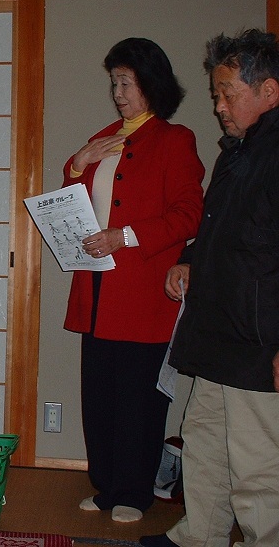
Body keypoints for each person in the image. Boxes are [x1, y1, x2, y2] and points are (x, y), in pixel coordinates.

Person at [140, 30, 279, 547]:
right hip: (220, 331)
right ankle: (198, 536)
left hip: (259, 340)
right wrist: (189, 260)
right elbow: (222, 233)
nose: (218, 106)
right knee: (203, 444)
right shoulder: (236, 154)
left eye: (228, 94)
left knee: (258, 467)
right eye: (216, 94)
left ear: (269, 91)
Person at [63, 38, 205, 523]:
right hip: (97, 288)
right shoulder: (102, 138)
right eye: (114, 83)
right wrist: (78, 164)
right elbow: (72, 206)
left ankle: (134, 493)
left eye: (126, 82)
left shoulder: (175, 139)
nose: (118, 93)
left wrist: (124, 236)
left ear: (151, 83)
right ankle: (106, 487)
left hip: (144, 292)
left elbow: (189, 214)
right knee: (99, 393)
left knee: (138, 399)